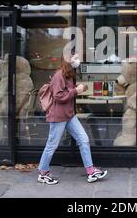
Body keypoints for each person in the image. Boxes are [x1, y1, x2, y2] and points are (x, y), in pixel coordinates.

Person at [37, 53, 108, 185]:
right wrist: (76, 91)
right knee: (52, 144)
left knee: (83, 139)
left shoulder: (68, 74)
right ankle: (43, 172)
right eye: (74, 58)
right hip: (59, 115)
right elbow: (58, 96)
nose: (77, 60)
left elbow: (66, 92)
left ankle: (91, 171)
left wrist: (78, 89)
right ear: (67, 61)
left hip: (68, 115)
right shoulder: (59, 75)